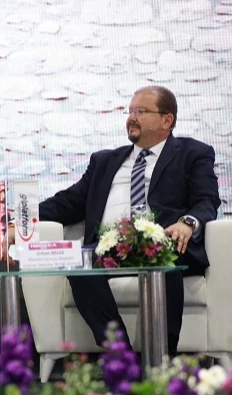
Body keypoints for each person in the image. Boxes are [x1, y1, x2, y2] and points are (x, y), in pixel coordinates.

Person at [12, 85, 220, 355]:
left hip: (162, 244)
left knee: (164, 264)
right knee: (78, 264)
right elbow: (68, 202)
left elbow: (206, 200)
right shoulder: (105, 161)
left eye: (141, 111)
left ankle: (161, 358)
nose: (131, 117)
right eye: (130, 111)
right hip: (108, 247)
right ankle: (121, 355)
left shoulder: (193, 154)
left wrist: (187, 222)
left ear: (167, 120)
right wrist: (21, 222)